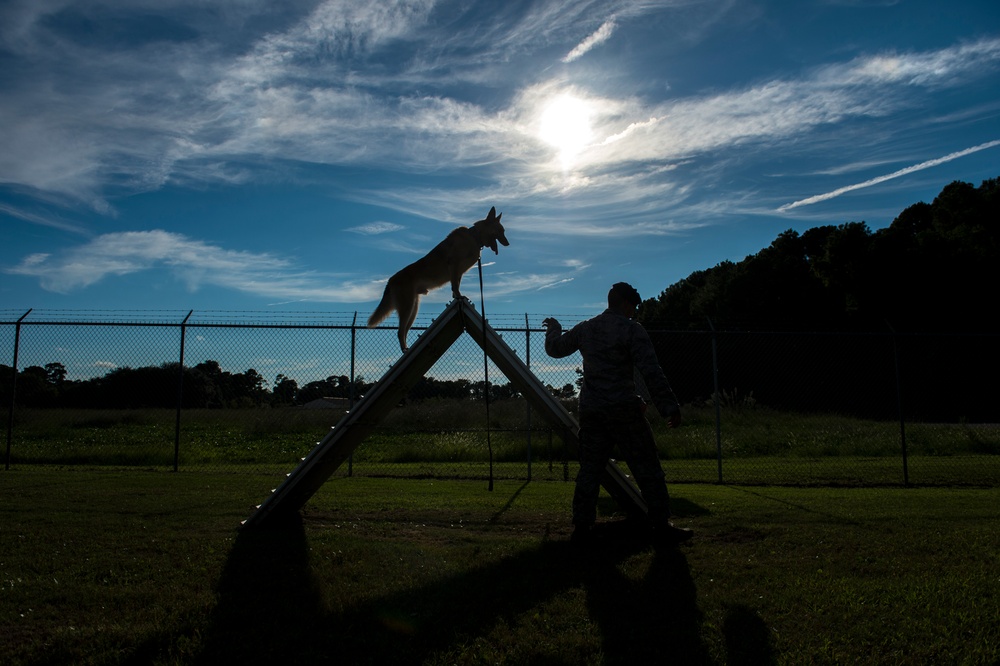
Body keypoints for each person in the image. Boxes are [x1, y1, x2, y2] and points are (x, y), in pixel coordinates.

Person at [543, 282, 692, 546]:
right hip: (623, 410)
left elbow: (556, 349)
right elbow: (651, 370)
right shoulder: (631, 330)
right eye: (632, 306)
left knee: (590, 470)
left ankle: (582, 526)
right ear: (624, 304)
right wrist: (668, 405)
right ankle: (660, 523)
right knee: (647, 467)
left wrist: (553, 327)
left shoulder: (586, 328)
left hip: (592, 411)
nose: (633, 312)